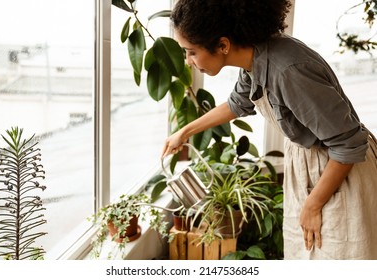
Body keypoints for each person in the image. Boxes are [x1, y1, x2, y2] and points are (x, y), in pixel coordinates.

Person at [161, 0, 377, 260]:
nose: (188, 62)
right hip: (311, 169)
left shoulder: (287, 70)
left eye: (191, 52)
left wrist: (313, 203)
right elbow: (237, 103)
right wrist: (184, 132)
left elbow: (348, 144)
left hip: (337, 170)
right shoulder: (255, 56)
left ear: (223, 45)